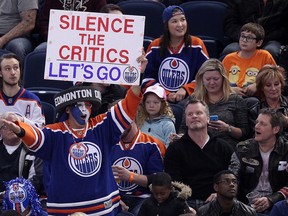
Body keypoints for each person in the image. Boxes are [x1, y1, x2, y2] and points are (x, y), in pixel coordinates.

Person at [0, 54, 147, 215]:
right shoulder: (55, 132)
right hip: (65, 209)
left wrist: (137, 75)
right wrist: (19, 128)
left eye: (88, 105)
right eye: (78, 105)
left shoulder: (101, 126)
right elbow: (36, 138)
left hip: (103, 208)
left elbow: (128, 106)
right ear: (68, 109)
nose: (84, 110)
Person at [164, 98, 240, 211]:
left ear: (208, 118)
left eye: (199, 113)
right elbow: (174, 183)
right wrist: (185, 206)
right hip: (186, 204)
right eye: (190, 114)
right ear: (186, 121)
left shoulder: (223, 147)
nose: (194, 116)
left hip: (219, 202)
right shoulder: (175, 149)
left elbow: (234, 174)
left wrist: (219, 194)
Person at [142, 5, 209, 130]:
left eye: (183, 20)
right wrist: (164, 93)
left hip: (190, 97)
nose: (180, 24)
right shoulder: (155, 45)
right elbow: (147, 79)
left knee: (180, 111)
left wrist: (185, 89)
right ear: (166, 25)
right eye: (174, 21)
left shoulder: (197, 44)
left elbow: (206, 76)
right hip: (159, 98)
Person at [179, 59, 250, 147]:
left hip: (227, 147)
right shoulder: (193, 99)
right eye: (208, 79)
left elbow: (244, 133)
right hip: (197, 146)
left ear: (223, 79)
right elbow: (183, 128)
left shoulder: (236, 100)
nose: (212, 83)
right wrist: (179, 137)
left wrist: (228, 128)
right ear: (202, 80)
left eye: (216, 79)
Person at [236, 108, 288, 215]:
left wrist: (272, 199)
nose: (256, 126)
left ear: (275, 129)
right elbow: (233, 176)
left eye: (263, 124)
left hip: (278, 205)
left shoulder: (286, 149)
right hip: (246, 204)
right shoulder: (243, 148)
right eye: (257, 122)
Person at [111, 121, 166, 215]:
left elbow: (157, 181)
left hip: (143, 198)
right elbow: (99, 180)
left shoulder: (153, 144)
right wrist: (114, 199)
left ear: (132, 119)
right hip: (115, 198)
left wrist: (130, 176)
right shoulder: (107, 144)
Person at [222, 0, 288, 62]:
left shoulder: (284, 3)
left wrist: (260, 38)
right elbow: (230, 24)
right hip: (242, 39)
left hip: (270, 39)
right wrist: (246, 37)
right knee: (230, 50)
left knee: (271, 51)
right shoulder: (238, 1)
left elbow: (285, 29)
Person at [222, 22, 276, 98]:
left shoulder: (265, 56)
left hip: (255, 99)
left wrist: (258, 85)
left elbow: (275, 78)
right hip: (232, 98)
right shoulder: (228, 58)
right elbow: (219, 83)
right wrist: (231, 90)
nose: (244, 40)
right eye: (242, 36)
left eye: (249, 38)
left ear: (259, 43)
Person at [0, 112, 44, 198]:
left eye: (14, 124)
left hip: (25, 200)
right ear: (0, 131)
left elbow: (37, 180)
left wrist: (14, 195)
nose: (11, 128)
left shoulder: (33, 150)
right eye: (5, 126)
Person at [35, 0, 107, 51]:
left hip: (87, 45)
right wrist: (53, 37)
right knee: (40, 49)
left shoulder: (98, 1)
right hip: (57, 41)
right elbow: (45, 22)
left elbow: (103, 23)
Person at [0, 53, 45, 128]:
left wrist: (21, 120)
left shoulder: (33, 100)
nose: (13, 73)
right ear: (0, 73)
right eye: (7, 69)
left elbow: (40, 130)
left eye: (16, 68)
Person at [255, 65, 288, 138]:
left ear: (281, 85)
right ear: (262, 88)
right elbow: (255, 135)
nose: (273, 88)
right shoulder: (256, 109)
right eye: (268, 85)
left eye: (276, 84)